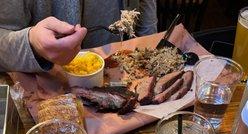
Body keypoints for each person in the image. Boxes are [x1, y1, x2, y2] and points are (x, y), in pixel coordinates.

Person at [0, 0, 157, 73]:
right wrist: (32, 42)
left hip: (122, 77)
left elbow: (144, 6)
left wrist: (149, 46)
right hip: (46, 95)